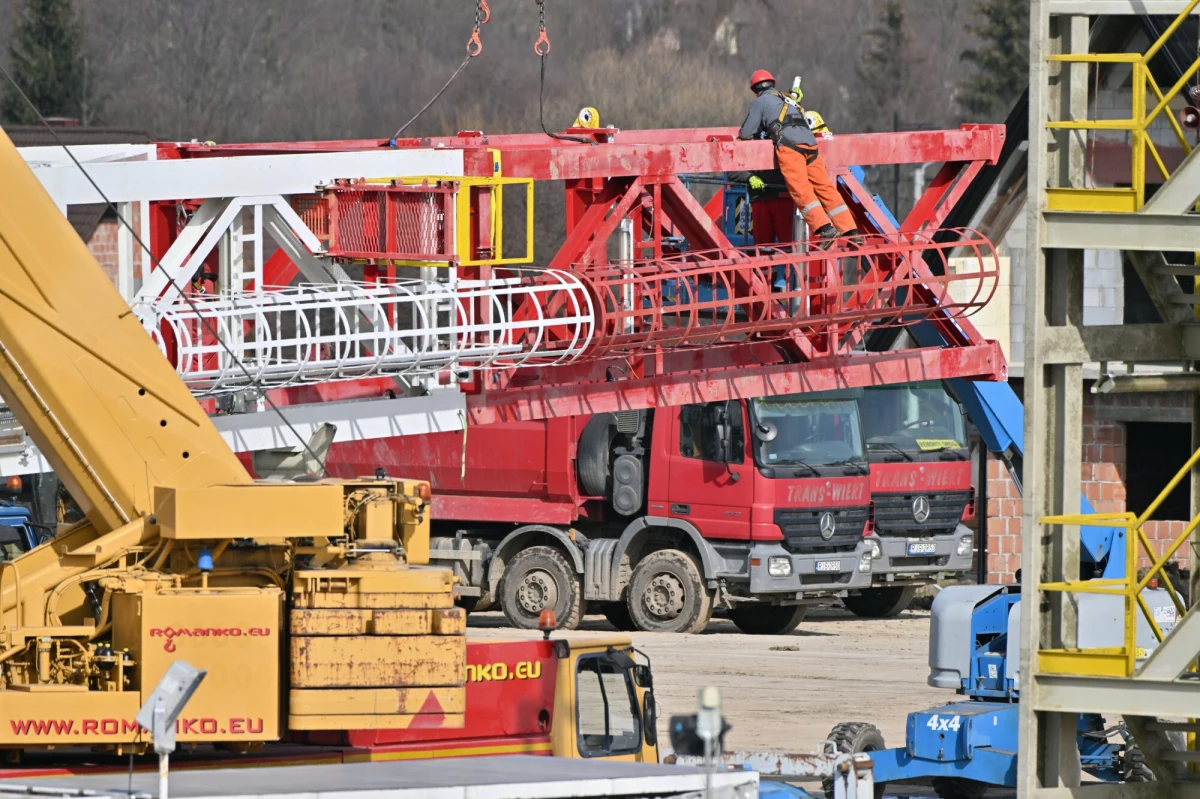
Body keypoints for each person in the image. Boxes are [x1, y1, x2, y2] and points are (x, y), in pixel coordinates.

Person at [738, 69, 857, 242]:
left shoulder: (760, 102)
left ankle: (824, 229)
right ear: (772, 84)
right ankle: (850, 231)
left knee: (800, 188)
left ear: (755, 90)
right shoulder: (788, 99)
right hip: (810, 143)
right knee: (824, 187)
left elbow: (746, 132)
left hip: (789, 145)